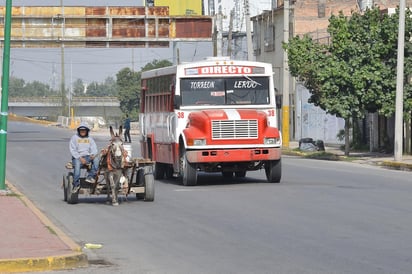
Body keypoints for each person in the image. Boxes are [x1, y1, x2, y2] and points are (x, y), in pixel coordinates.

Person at [69, 123, 99, 192]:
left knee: (96, 160)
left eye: (84, 130)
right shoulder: (74, 138)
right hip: (77, 158)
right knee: (77, 167)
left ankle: (90, 177)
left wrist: (92, 155)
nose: (83, 131)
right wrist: (80, 158)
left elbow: (94, 148)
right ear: (79, 130)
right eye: (81, 130)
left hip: (88, 157)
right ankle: (76, 184)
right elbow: (73, 150)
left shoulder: (90, 139)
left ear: (87, 131)